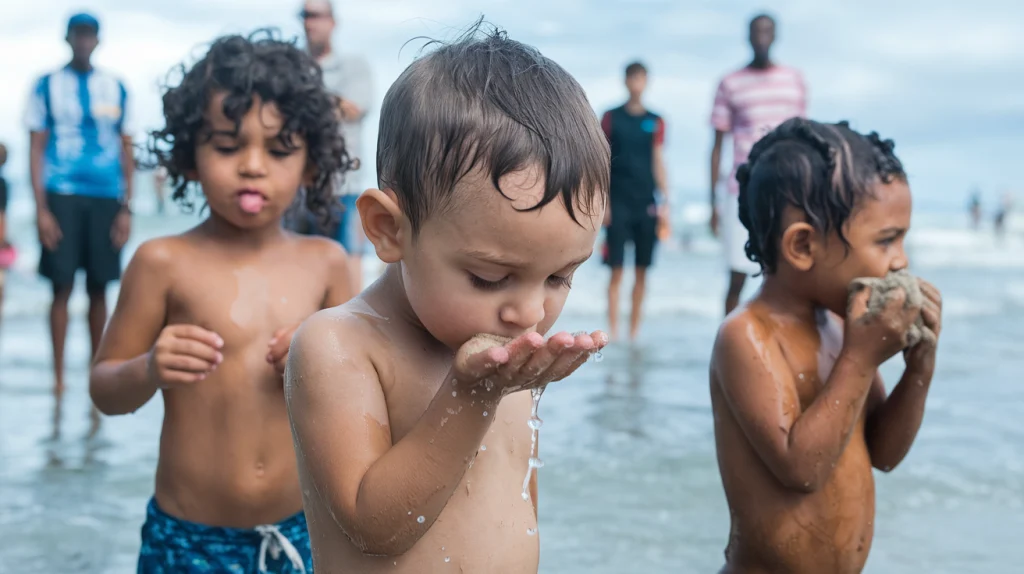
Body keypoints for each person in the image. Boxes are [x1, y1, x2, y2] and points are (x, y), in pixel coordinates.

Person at [284, 23, 609, 573]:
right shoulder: (339, 346)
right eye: (488, 277)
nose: (530, 313)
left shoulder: (501, 353)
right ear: (389, 229)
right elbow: (375, 527)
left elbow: (519, 507)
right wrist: (472, 395)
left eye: (560, 277)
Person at [89, 31, 354, 573]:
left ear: (310, 164)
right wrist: (149, 367)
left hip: (299, 534)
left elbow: (359, 403)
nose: (252, 166)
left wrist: (319, 367)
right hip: (185, 538)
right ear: (189, 155)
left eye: (279, 149)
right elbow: (105, 390)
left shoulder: (327, 264)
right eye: (228, 146)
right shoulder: (162, 262)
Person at [710, 118, 942, 574]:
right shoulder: (746, 336)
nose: (902, 259)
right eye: (886, 239)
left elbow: (885, 453)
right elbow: (801, 469)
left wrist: (919, 367)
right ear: (802, 246)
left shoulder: (841, 327)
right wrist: (861, 356)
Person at [24, 13, 134, 409]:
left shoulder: (116, 87)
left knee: (100, 288)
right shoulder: (46, 85)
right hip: (62, 194)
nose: (84, 41)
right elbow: (36, 147)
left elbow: (127, 149)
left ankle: (95, 372)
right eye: (78, 34)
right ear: (68, 38)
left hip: (106, 196)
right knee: (61, 286)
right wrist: (41, 210)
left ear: (98, 40)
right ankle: (57, 379)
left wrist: (127, 207)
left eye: (90, 34)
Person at [709, 13, 807, 315]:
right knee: (737, 276)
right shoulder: (730, 83)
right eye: (756, 32)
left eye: (767, 32)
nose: (762, 37)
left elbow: (801, 141)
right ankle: (725, 347)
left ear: (775, 36)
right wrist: (712, 201)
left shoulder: (793, 81)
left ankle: (778, 345)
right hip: (741, 190)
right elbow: (716, 146)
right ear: (748, 36)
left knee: (782, 274)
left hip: (786, 191)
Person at [287, 0, 373, 294]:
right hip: (297, 184)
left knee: (349, 262)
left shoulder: (353, 66)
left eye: (316, 15)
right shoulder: (293, 66)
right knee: (295, 263)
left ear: (332, 22)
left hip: (342, 184)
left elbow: (354, 108)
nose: (310, 22)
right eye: (305, 15)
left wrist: (305, 99)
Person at [601, 62, 668, 343]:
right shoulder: (610, 117)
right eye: (632, 78)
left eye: (641, 78)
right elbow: (601, 159)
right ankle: (613, 332)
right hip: (618, 200)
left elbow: (658, 160)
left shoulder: (656, 120)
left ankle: (634, 333)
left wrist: (665, 202)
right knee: (616, 271)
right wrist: (602, 202)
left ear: (646, 81)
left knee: (642, 272)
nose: (637, 83)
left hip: (646, 202)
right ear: (626, 81)